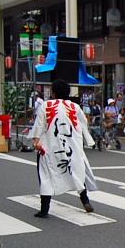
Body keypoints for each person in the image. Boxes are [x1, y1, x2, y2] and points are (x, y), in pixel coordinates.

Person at [28, 79, 97, 217]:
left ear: (53, 92)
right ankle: (85, 201)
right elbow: (83, 124)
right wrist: (86, 141)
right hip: (72, 146)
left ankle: (44, 209)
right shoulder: (75, 107)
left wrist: (36, 141)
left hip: (50, 146)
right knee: (77, 172)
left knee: (46, 175)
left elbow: (39, 125)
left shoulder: (46, 106)